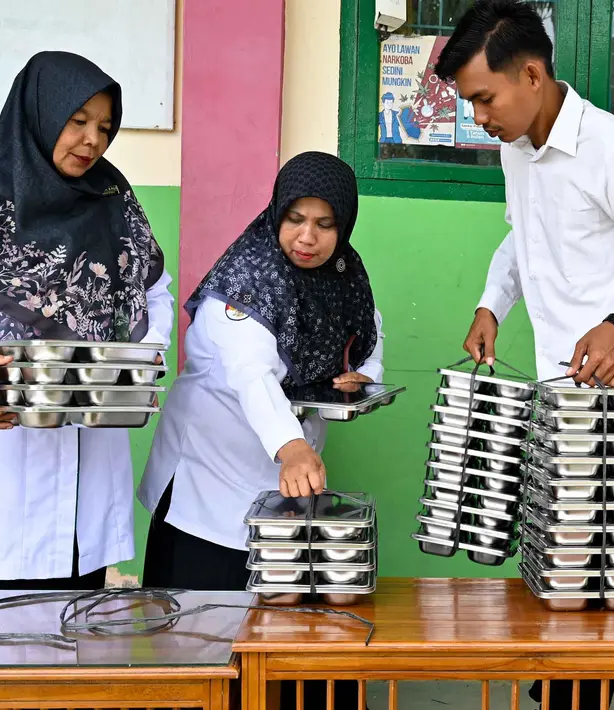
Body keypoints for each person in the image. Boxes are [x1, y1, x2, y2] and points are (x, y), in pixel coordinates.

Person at [433, 2, 614, 708]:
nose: (479, 118)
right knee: (554, 579)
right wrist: (492, 302)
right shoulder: (516, 147)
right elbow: (520, 238)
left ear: (531, 73)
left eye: (483, 99)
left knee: (598, 600)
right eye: (469, 104)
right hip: (556, 402)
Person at [0, 51, 175, 614]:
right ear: (39, 113)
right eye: (77, 120)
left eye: (105, 127)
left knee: (69, 654)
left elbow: (155, 292)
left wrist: (134, 362)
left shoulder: (116, 204)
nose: (91, 140)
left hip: (86, 461)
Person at [138, 151, 382, 709]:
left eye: (325, 225)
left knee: (284, 639)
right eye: (295, 218)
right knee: (203, 640)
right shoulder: (247, 281)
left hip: (284, 480)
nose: (307, 237)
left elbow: (369, 332)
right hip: (208, 476)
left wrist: (363, 376)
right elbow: (252, 374)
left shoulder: (345, 274)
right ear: (276, 214)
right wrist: (291, 444)